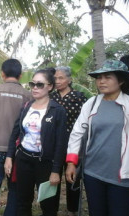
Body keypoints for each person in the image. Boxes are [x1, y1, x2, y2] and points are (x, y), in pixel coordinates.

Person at [66, 60, 129, 216]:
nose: (101, 81)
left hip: (123, 176)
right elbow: (77, 132)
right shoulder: (91, 104)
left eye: (107, 77)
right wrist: (72, 162)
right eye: (99, 77)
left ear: (120, 80)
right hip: (93, 172)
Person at [4, 68, 69, 216]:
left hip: (46, 163)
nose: (35, 88)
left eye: (40, 84)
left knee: (49, 205)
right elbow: (15, 132)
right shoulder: (26, 106)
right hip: (24, 159)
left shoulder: (57, 110)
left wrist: (55, 171)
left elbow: (61, 143)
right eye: (32, 84)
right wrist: (9, 156)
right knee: (23, 201)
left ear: (50, 86)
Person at [0, 59, 32, 216]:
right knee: (14, 189)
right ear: (20, 75)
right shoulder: (28, 95)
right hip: (18, 151)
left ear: (2, 73)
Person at [51, 66, 87, 216]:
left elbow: (85, 122)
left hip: (73, 145)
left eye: (61, 78)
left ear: (69, 80)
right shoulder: (51, 97)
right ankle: (51, 209)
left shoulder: (79, 97)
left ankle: (72, 210)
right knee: (53, 177)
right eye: (55, 78)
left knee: (73, 179)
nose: (57, 81)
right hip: (53, 145)